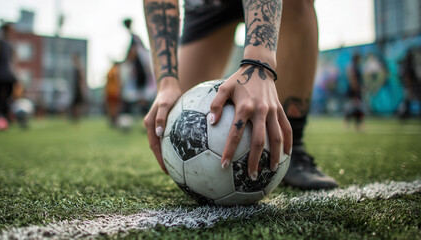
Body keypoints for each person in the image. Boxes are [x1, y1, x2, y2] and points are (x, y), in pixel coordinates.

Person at [143, 0, 338, 189]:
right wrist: (166, 83)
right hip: (206, 4)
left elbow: (259, 67)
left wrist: (259, 65)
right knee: (184, 122)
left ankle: (293, 148)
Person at [345, 53, 365, 131]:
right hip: (354, 90)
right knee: (356, 106)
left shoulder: (353, 66)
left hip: (354, 89)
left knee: (354, 106)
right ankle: (355, 123)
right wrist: (356, 88)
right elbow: (353, 78)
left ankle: (354, 123)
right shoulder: (353, 66)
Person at [70, 53, 86, 123]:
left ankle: (77, 119)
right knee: (74, 104)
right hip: (74, 88)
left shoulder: (79, 68)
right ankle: (75, 118)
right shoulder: (75, 68)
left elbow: (82, 79)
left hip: (78, 89)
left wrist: (82, 89)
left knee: (77, 105)